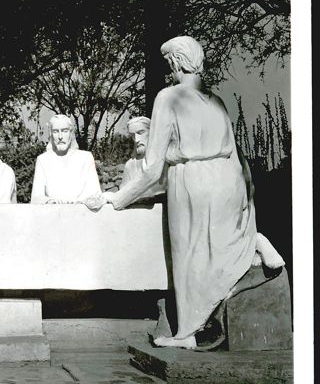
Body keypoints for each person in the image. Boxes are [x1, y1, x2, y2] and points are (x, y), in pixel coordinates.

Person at [102, 36, 260, 349]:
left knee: (190, 256)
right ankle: (257, 245)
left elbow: (152, 166)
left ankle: (187, 333)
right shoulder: (216, 101)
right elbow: (239, 158)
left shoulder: (168, 98)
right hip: (227, 179)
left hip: (192, 182)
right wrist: (245, 197)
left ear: (176, 61)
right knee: (218, 247)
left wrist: (119, 198)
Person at [30, 114, 103, 210]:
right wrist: (50, 202)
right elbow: (35, 198)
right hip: (54, 216)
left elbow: (96, 195)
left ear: (71, 133)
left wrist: (80, 202)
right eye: (56, 132)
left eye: (64, 131)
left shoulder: (86, 158)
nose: (60, 136)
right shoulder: (43, 160)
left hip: (82, 216)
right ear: (51, 134)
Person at [119, 116, 166, 201]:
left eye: (140, 133)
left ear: (151, 132)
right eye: (133, 135)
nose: (136, 140)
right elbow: (123, 194)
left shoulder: (164, 161)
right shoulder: (130, 165)